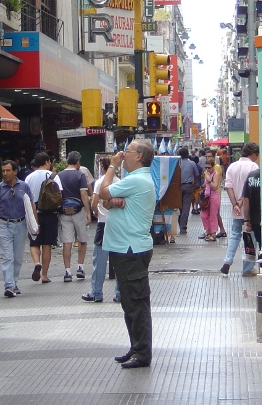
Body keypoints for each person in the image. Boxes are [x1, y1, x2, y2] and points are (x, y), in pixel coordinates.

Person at [98, 140, 157, 369]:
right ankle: (136, 347)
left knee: (136, 304)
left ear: (139, 156)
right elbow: (105, 201)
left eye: (127, 152)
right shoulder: (134, 180)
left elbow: (103, 191)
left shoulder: (137, 180)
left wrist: (112, 165)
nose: (123, 155)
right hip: (124, 248)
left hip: (132, 249)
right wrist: (111, 201)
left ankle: (142, 352)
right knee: (129, 302)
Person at [0, 160, 33, 298]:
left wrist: (34, 224)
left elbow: (31, 205)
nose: (5, 173)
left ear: (15, 171)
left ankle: (14, 282)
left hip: (20, 223)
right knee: (7, 257)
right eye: (3, 171)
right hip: (4, 224)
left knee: (18, 257)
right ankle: (9, 285)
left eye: (8, 170)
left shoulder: (24, 186)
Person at [82, 157, 120, 303]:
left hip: (103, 223)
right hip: (117, 224)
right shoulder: (119, 182)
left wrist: (96, 212)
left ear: (103, 168)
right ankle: (119, 293)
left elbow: (94, 203)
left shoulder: (100, 182)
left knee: (99, 260)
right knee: (119, 260)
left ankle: (96, 292)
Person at [220, 142, 259, 276]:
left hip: (236, 210)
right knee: (250, 237)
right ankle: (247, 268)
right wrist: (242, 201)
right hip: (250, 209)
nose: (257, 158)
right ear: (252, 153)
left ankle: (228, 260)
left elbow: (228, 187)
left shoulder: (232, 166)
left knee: (235, 235)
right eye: (256, 155)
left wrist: (235, 204)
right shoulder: (254, 167)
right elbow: (251, 188)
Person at [53, 151, 92, 282]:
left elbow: (57, 195)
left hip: (64, 211)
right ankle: (80, 267)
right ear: (78, 162)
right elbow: (83, 194)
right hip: (79, 210)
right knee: (82, 239)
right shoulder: (80, 175)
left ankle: (67, 271)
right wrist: (88, 212)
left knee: (67, 241)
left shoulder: (58, 176)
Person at [24, 152, 58, 283]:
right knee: (47, 244)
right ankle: (44, 275)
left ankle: (37, 263)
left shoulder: (29, 177)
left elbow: (25, 196)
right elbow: (60, 193)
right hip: (50, 212)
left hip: (34, 213)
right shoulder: (53, 176)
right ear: (47, 162)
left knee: (34, 242)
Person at [200, 152, 223, 241]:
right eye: (206, 167)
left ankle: (213, 234)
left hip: (214, 196)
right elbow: (206, 184)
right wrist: (202, 187)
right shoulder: (207, 173)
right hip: (207, 196)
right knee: (204, 215)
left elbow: (214, 186)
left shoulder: (215, 174)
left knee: (213, 215)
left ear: (213, 167)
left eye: (209, 168)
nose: (207, 169)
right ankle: (208, 231)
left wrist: (208, 180)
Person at [178, 148, 199, 235]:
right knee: (186, 207)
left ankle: (180, 221)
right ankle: (183, 227)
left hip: (178, 187)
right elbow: (197, 174)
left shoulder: (177, 163)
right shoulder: (192, 163)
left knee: (180, 206)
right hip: (188, 186)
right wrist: (194, 183)